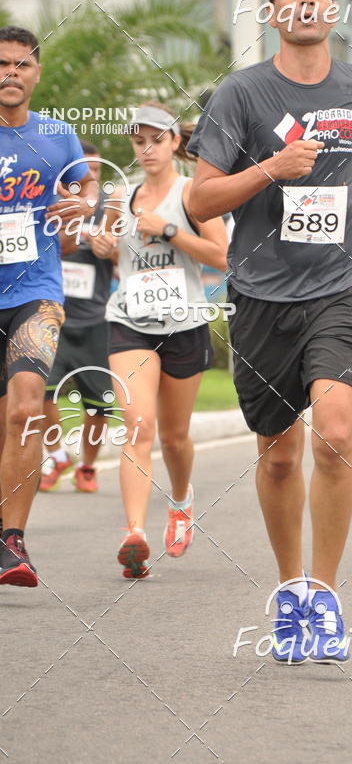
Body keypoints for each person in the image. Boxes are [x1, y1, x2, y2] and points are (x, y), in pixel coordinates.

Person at [188, 0, 352, 663]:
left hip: (342, 285)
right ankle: (289, 590)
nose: (306, 2)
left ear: (333, 7)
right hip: (262, 293)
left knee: (335, 433)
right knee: (279, 455)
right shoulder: (241, 93)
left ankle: (327, 596)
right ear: (272, 9)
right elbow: (200, 199)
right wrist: (269, 169)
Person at [95, 103, 228, 579]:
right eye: (138, 141)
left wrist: (168, 229)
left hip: (183, 324)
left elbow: (222, 255)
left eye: (157, 139)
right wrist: (105, 247)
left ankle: (181, 499)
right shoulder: (120, 196)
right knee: (138, 424)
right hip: (129, 321)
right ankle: (135, 534)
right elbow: (116, 255)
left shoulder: (192, 192)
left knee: (174, 437)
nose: (147, 149)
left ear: (175, 142)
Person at [0, 26, 98, 586]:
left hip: (35, 292)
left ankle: (13, 541)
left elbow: (86, 188)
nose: (11, 74)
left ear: (36, 74)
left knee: (25, 409)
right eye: (2, 64)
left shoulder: (57, 135)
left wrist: (80, 207)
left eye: (21, 65)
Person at [40, 141, 114, 493]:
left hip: (96, 320)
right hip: (52, 316)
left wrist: (110, 249)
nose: (89, 177)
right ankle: (57, 456)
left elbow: (128, 262)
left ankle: (86, 466)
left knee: (99, 405)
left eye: (95, 171)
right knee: (39, 392)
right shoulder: (50, 207)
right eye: (83, 170)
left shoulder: (110, 212)